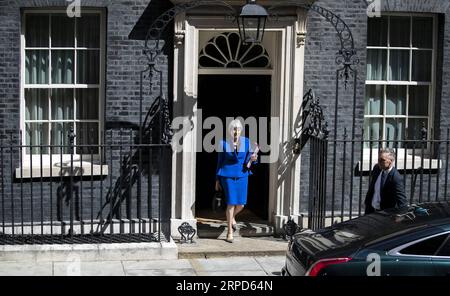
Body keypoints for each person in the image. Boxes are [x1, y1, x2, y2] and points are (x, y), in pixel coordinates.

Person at [215, 119, 258, 243]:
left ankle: (232, 217)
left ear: (241, 130)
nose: (236, 131)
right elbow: (219, 162)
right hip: (227, 176)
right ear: (230, 130)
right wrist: (217, 179)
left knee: (241, 204)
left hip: (242, 176)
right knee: (231, 203)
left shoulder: (246, 142)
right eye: (234, 129)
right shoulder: (223, 143)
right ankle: (229, 232)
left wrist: (254, 158)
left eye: (238, 129)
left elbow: (250, 159)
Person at [364, 148, 408, 215]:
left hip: (385, 214)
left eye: (382, 160)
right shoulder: (377, 168)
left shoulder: (395, 177)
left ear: (391, 161)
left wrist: (401, 217)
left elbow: (402, 201)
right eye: (378, 159)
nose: (379, 162)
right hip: (370, 211)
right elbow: (372, 188)